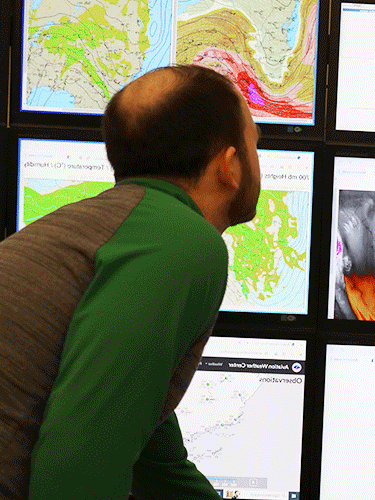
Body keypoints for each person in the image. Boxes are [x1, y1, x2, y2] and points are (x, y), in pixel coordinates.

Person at [0, 64, 261, 499]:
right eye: (256, 143)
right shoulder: (184, 241)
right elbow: (76, 473)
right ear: (229, 167)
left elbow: (156, 464)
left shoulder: (108, 227)